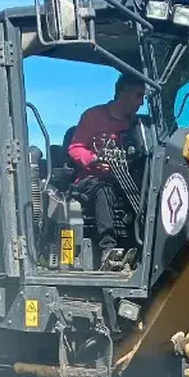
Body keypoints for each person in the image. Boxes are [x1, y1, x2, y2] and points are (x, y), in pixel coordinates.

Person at [67, 72, 146, 269]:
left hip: (125, 180)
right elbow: (75, 148)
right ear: (123, 93)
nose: (141, 103)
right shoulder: (93, 116)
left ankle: (140, 248)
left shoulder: (138, 124)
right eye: (138, 96)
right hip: (91, 179)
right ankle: (108, 250)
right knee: (104, 190)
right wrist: (93, 160)